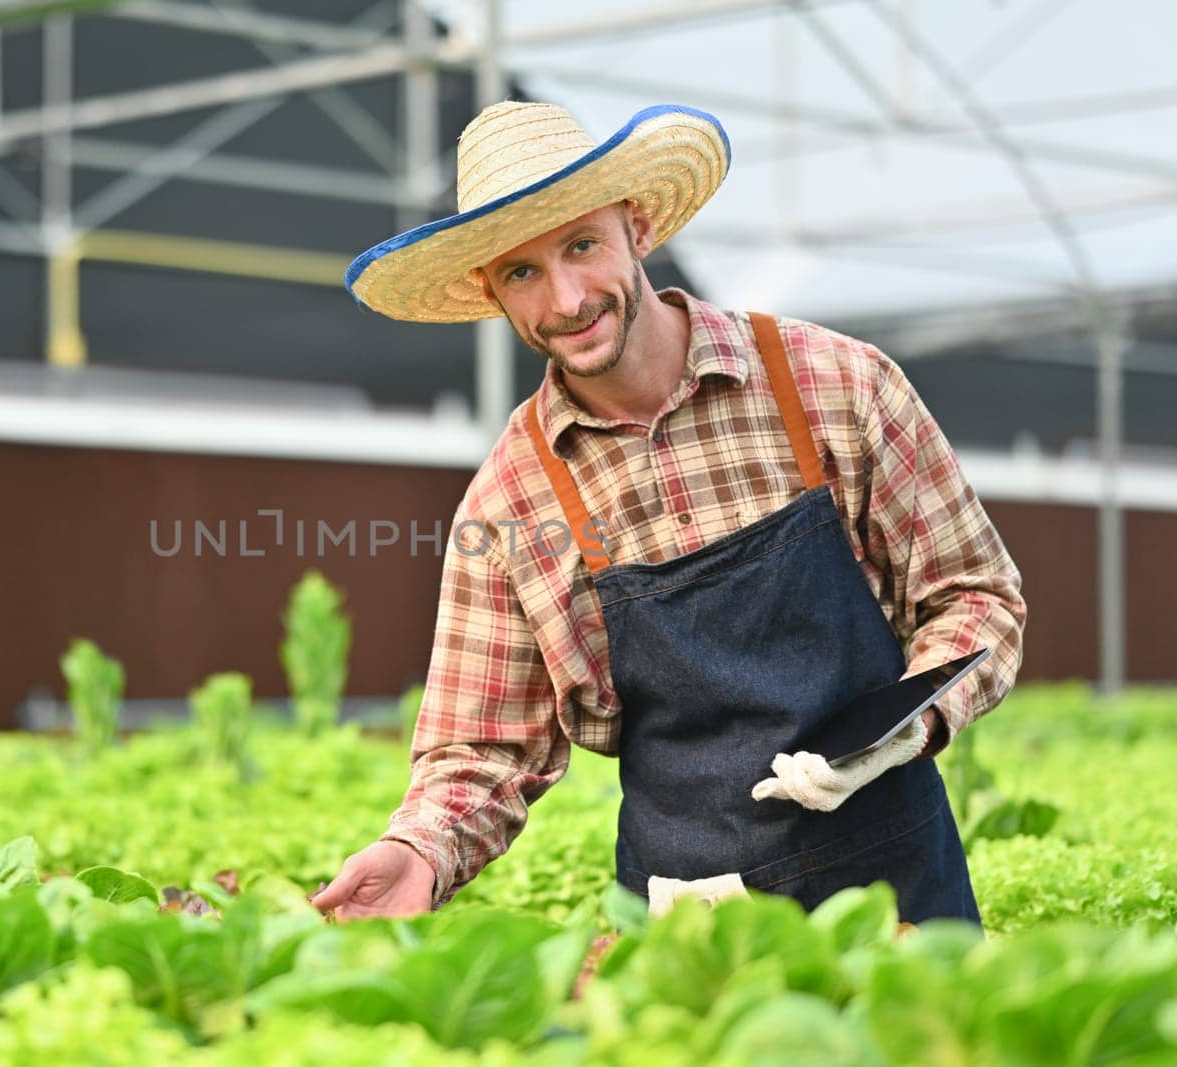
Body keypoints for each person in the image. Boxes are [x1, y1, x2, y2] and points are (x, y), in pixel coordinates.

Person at [309, 101, 1026, 925]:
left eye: (581, 245)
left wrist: (908, 726)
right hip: (690, 923)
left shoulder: (837, 385)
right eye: (522, 273)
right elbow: (481, 747)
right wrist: (417, 851)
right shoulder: (511, 502)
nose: (567, 298)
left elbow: (976, 597)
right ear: (490, 291)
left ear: (637, 226)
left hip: (895, 890)